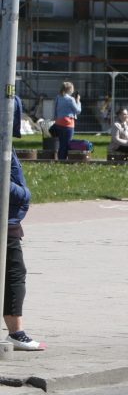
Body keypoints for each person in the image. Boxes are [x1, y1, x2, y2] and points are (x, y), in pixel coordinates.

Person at [5, 95, 43, 351]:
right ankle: (16, 333)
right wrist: (25, 195)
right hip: (5, 222)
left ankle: (15, 332)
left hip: (8, 222)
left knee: (13, 274)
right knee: (14, 274)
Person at [53, 81, 81, 161]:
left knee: (61, 143)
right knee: (67, 143)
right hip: (68, 123)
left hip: (59, 122)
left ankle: (60, 159)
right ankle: (63, 160)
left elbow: (55, 110)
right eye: (72, 88)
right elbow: (78, 110)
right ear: (69, 89)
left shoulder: (58, 97)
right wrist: (78, 101)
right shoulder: (71, 99)